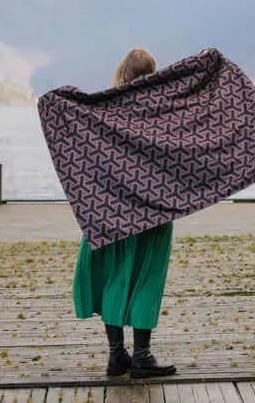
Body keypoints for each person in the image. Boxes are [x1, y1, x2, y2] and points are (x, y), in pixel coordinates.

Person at [71, 48, 177, 379]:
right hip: (153, 209)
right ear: (154, 74)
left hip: (109, 210)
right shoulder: (165, 111)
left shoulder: (103, 111)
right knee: (147, 277)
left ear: (122, 74)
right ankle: (142, 358)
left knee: (114, 277)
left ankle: (118, 357)